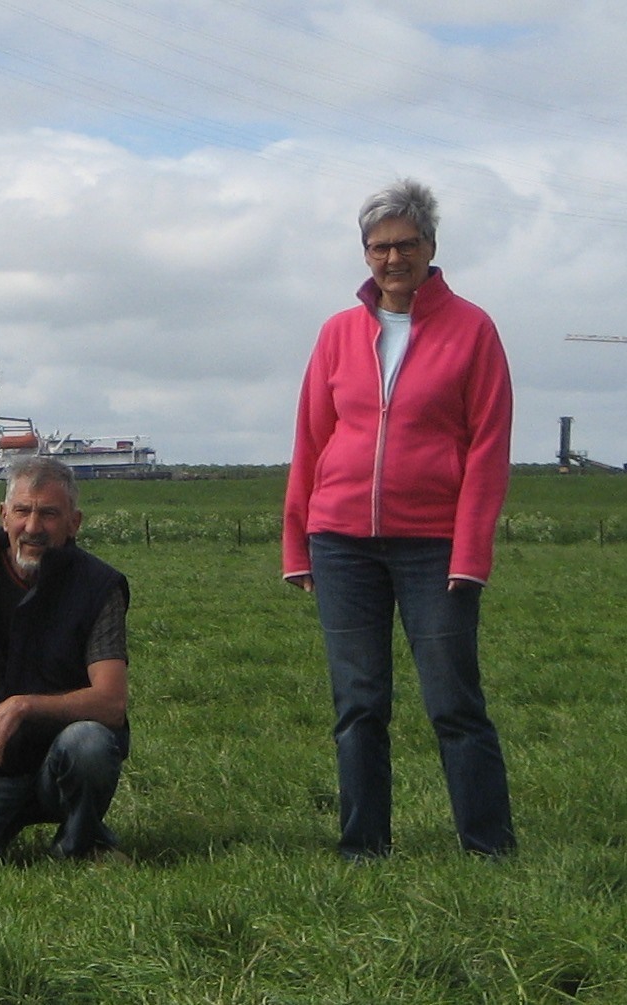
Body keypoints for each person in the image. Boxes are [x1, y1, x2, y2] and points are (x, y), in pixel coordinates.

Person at [282, 178, 516, 861]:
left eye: (406, 244)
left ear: (431, 247)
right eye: (379, 246)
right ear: (365, 253)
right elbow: (311, 438)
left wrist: (471, 554)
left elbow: (488, 448)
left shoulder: (473, 329)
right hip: (341, 541)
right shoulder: (337, 333)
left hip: (434, 546)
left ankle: (488, 846)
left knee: (453, 701)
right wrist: (296, 543)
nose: (393, 258)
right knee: (358, 703)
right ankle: (363, 847)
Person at [0, 457, 130, 869]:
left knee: (89, 742)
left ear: (74, 523)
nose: (33, 527)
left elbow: (111, 704)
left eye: (49, 514)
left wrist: (22, 705)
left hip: (61, 761)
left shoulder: (99, 587)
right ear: (3, 516)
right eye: (22, 511)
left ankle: (79, 843)